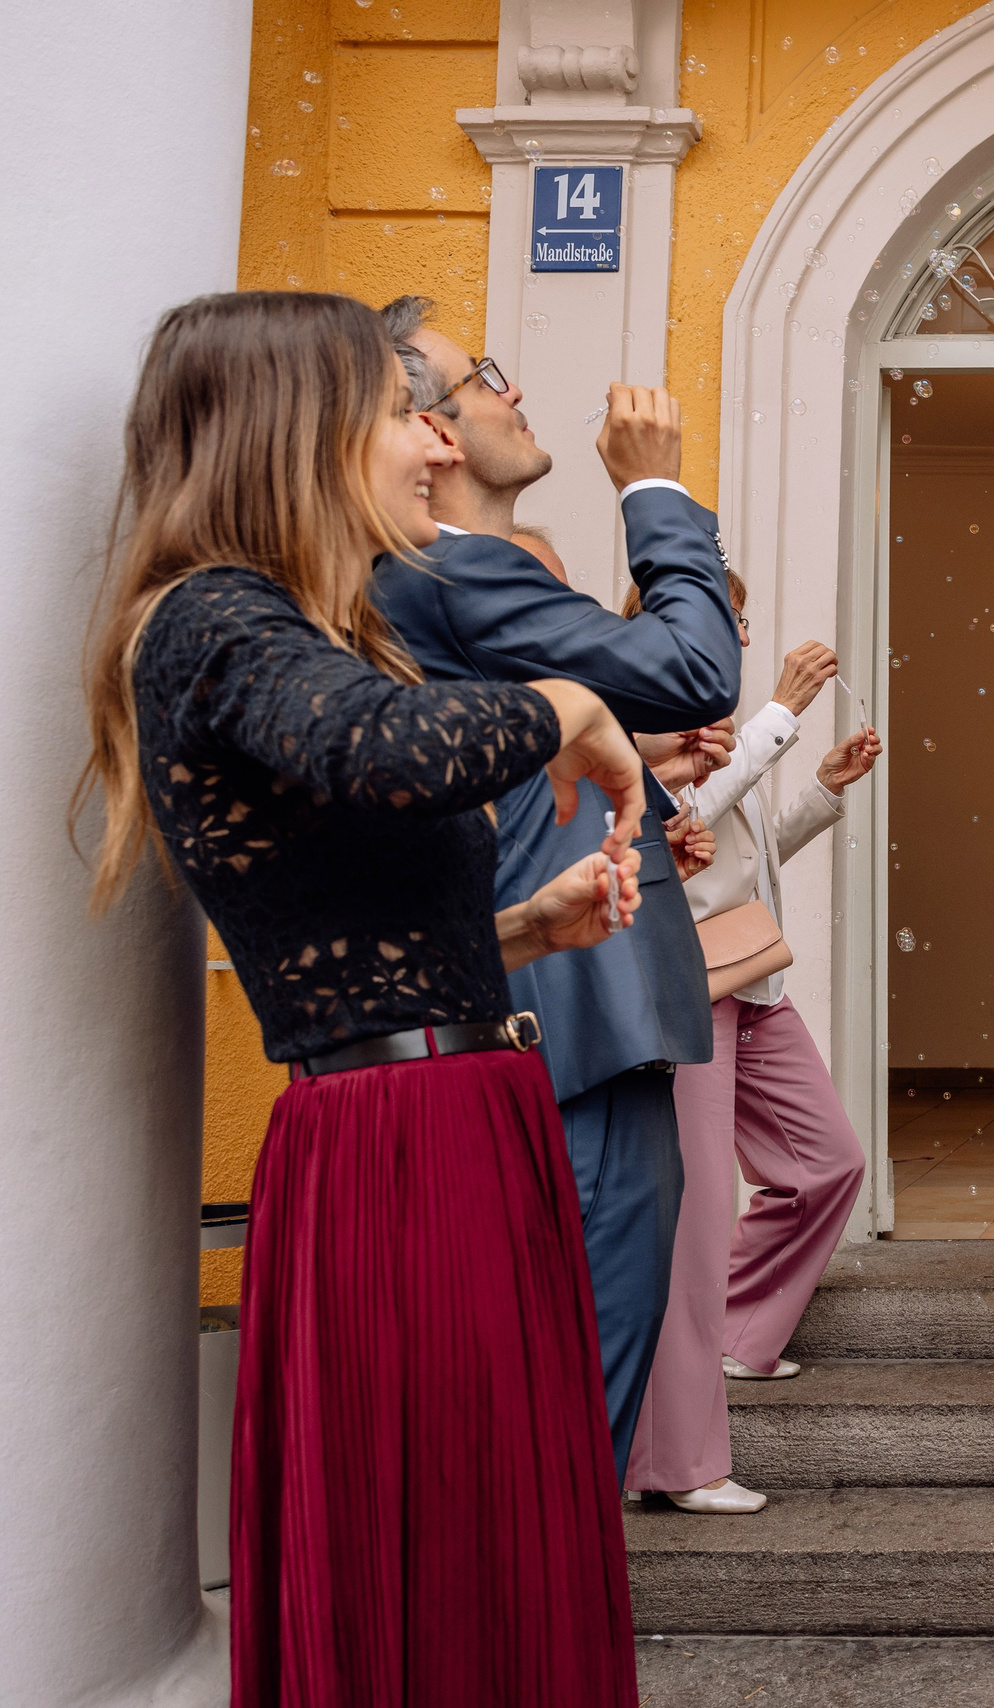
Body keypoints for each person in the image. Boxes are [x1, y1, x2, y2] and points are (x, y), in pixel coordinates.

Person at [79, 289, 649, 1705]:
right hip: (405, 1149)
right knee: (455, 1550)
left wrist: (520, 925)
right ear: (304, 432)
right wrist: (571, 704)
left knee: (489, 1540)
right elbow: (391, 756)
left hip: (450, 1115)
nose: (435, 449)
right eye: (403, 414)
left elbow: (339, 927)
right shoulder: (213, 616)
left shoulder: (283, 629)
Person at [372, 297, 741, 1480]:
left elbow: (539, 760)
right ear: (420, 430)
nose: (509, 392)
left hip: (536, 991)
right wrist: (654, 492)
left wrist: (654, 792)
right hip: (570, 1008)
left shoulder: (445, 578)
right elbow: (692, 666)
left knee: (552, 1363)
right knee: (577, 1370)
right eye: (474, 378)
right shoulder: (451, 571)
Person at [624, 580, 880, 1515]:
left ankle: (738, 1335)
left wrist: (822, 789)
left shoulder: (714, 718)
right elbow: (666, 821)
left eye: (733, 615)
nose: (731, 628)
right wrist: (784, 711)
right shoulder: (630, 709)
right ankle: (679, 1464)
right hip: (686, 986)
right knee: (691, 1222)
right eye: (714, 614)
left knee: (827, 1163)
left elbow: (740, 845)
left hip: (749, 974)